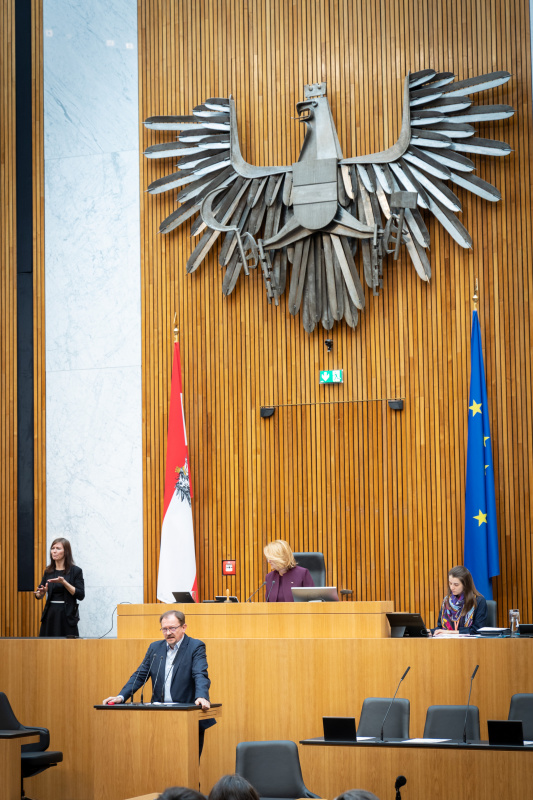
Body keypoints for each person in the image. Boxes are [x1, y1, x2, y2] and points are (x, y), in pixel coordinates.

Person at [103, 609, 215, 754]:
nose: (168, 633)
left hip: (187, 716)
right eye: (164, 629)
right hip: (158, 716)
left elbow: (200, 674)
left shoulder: (195, 646)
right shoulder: (155, 648)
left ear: (184, 627)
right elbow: (140, 675)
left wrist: (202, 696)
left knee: (187, 765)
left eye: (173, 628)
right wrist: (121, 696)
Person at [35, 537, 85, 637]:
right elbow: (38, 595)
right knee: (47, 647)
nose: (54, 551)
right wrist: (41, 593)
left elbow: (80, 595)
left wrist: (64, 582)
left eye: (58, 548)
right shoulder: (48, 571)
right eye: (52, 548)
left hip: (67, 615)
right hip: (51, 614)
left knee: (69, 648)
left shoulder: (76, 571)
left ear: (66, 552)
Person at [432, 565, 487, 635]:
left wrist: (451, 632)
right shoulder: (446, 601)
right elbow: (441, 627)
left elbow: (477, 629)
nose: (452, 587)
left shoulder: (479, 601)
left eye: (456, 585)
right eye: (450, 583)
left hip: (470, 643)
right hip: (447, 643)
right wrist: (430, 631)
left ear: (465, 585)